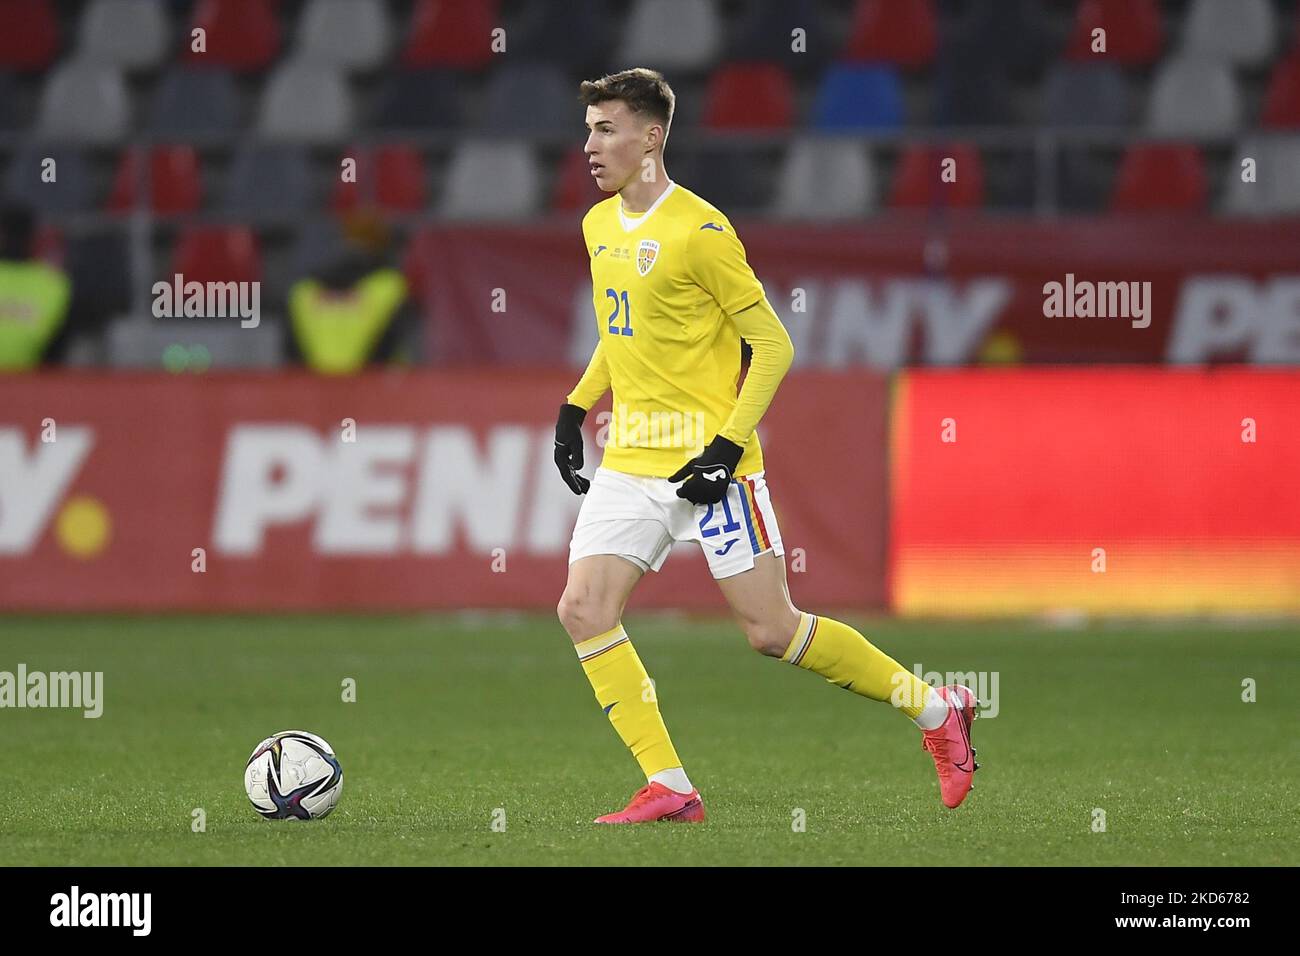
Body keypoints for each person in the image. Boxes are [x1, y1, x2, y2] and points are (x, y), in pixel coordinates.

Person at [553, 69, 980, 824]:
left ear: (651, 137)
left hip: (712, 467)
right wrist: (576, 405)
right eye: (589, 129)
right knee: (583, 609)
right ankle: (671, 786)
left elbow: (773, 345)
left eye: (607, 129)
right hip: (633, 461)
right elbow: (624, 335)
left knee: (770, 631)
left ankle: (935, 708)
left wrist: (724, 448)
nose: (591, 145)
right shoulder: (597, 226)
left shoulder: (701, 231)